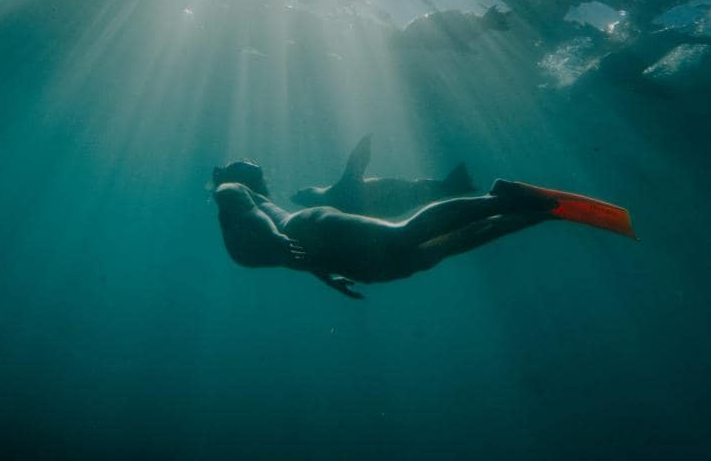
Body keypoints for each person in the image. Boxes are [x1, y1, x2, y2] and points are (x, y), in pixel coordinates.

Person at [212, 160, 636, 299]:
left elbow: (260, 225)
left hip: (311, 229)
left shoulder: (238, 195)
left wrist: (281, 246)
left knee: (405, 237)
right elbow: (267, 233)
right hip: (320, 251)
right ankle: (529, 216)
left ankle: (501, 198)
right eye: (259, 175)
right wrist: (325, 277)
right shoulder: (236, 191)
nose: (265, 181)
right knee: (420, 257)